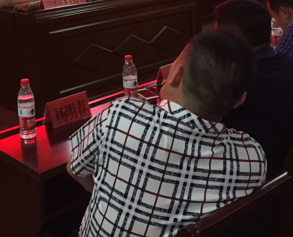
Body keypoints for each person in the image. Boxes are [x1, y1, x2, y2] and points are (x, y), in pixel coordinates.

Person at [67, 31, 267, 237]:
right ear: (239, 100)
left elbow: (74, 169)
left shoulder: (120, 115)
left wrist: (113, 191)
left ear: (176, 74)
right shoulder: (252, 160)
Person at [214, 0, 293, 179]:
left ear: (228, 40)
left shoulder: (241, 80)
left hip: (265, 176)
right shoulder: (288, 63)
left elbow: (204, 123)